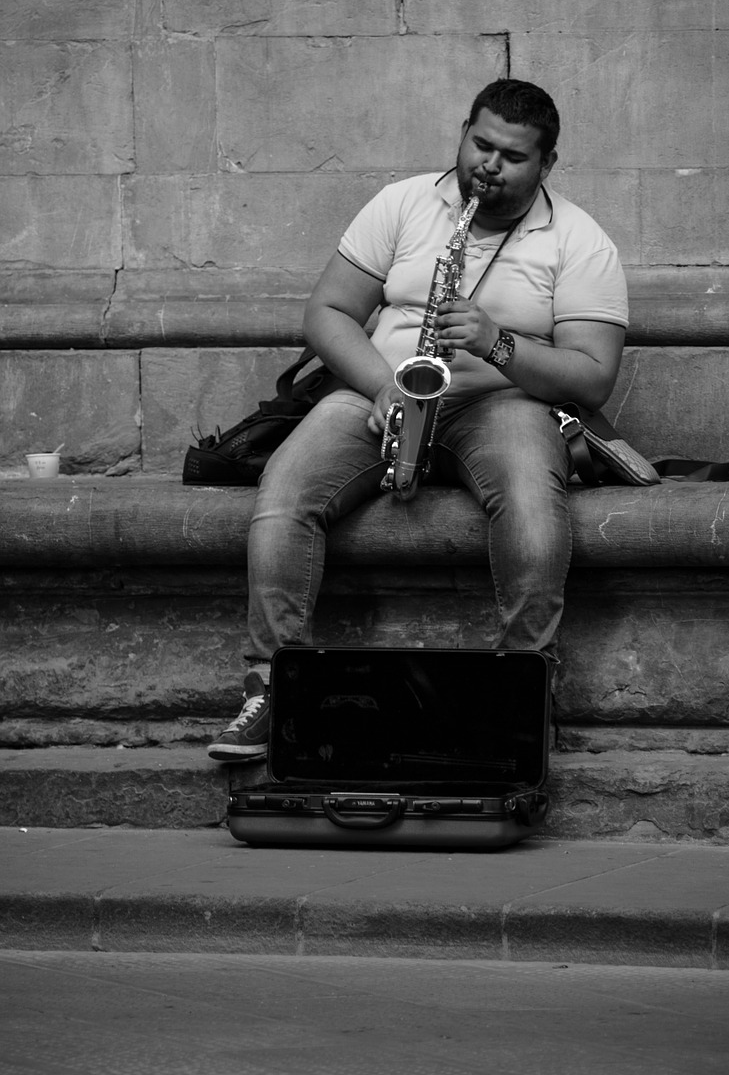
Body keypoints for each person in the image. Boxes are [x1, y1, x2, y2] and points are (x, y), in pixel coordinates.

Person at [208, 78, 628, 761]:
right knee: (284, 491)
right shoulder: (402, 204)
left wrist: (498, 342)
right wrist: (380, 386)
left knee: (528, 500)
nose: (488, 166)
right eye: (479, 144)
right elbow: (327, 314)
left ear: (545, 164)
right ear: (462, 131)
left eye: (512, 157)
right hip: (385, 389)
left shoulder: (578, 241)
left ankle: (523, 687)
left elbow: (593, 374)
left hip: (500, 401)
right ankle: (270, 686)